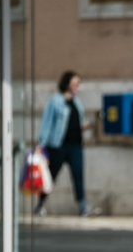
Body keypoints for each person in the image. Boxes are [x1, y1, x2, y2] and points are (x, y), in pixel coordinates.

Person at [36, 71, 98, 217]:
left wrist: (84, 126)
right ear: (67, 83)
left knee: (78, 175)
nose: (77, 86)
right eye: (74, 83)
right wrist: (42, 142)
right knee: (51, 176)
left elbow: (75, 121)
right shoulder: (55, 101)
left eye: (78, 83)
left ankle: (83, 207)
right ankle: (40, 204)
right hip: (58, 145)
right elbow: (47, 122)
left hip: (76, 145)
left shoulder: (76, 101)